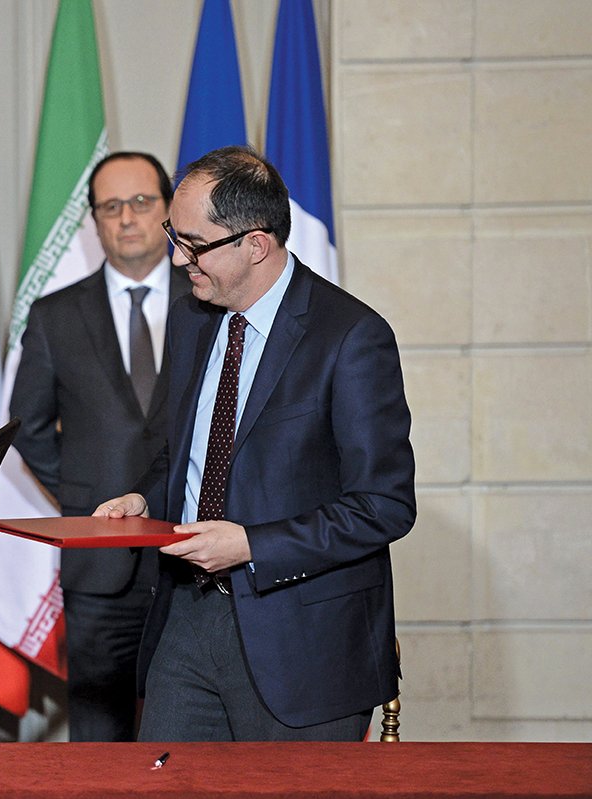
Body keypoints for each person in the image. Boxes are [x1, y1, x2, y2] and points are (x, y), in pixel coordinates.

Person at [95, 145, 415, 741]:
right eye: (175, 234)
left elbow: (385, 505)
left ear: (255, 244)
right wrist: (147, 498)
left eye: (193, 243)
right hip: (186, 623)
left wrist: (251, 545)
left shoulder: (351, 338)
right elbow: (193, 451)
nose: (176, 256)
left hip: (302, 644)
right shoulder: (194, 316)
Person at [9, 152, 191, 742]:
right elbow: (28, 425)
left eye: (142, 202)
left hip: (193, 555)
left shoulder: (209, 306)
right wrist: (85, 498)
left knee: (195, 731)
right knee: (99, 739)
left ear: (168, 211)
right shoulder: (56, 315)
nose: (127, 218)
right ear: (94, 220)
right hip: (100, 564)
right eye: (111, 207)